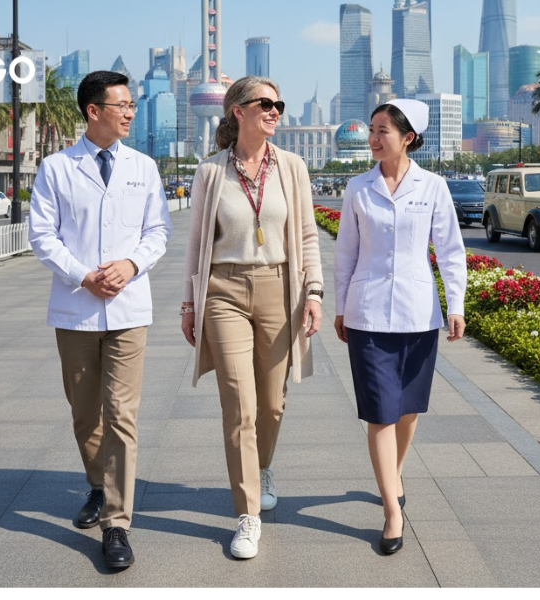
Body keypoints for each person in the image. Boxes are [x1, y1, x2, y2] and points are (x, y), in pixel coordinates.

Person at [28, 70, 172, 569]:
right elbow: (43, 236)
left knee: (122, 415)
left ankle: (116, 522)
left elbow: (158, 230)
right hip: (76, 307)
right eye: (122, 105)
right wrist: (83, 276)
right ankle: (97, 482)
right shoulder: (56, 168)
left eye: (133, 105)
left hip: (130, 308)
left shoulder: (143, 167)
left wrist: (131, 264)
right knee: (86, 413)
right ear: (94, 111)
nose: (131, 112)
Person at [181, 76, 323, 559]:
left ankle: (262, 467)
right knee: (238, 404)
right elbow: (196, 246)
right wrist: (188, 304)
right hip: (223, 290)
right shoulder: (210, 173)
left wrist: (314, 293)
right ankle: (248, 515)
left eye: (279, 104)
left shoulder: (293, 168)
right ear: (237, 111)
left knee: (272, 403)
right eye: (266, 103)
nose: (275, 111)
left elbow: (306, 235)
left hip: (279, 288)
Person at [333, 99, 466, 555]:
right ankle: (392, 510)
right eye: (371, 129)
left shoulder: (433, 187)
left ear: (408, 137)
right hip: (367, 314)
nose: (373, 138)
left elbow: (450, 250)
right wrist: (338, 306)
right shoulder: (357, 188)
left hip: (417, 314)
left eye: (382, 130)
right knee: (380, 412)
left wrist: (456, 304)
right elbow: (345, 253)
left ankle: (393, 473)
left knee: (407, 411)